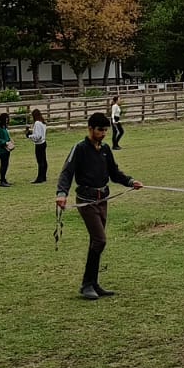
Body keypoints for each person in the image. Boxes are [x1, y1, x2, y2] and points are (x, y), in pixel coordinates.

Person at [56, 112, 144, 301]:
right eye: (100, 130)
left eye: (105, 130)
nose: (103, 133)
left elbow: (114, 172)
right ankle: (87, 283)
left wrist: (130, 181)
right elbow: (67, 172)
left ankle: (93, 283)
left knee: (96, 241)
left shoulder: (105, 149)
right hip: (86, 201)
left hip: (102, 200)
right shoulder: (79, 149)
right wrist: (61, 194)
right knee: (100, 240)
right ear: (90, 129)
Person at [0, 112, 15, 187]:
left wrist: (10, 142)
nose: (7, 122)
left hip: (6, 149)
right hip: (1, 149)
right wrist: (5, 142)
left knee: (5, 164)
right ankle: (2, 180)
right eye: (6, 120)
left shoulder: (4, 128)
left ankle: (3, 179)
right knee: (4, 164)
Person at [27, 108, 48, 183]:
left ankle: (40, 177)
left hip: (39, 144)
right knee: (44, 160)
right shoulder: (42, 123)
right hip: (43, 142)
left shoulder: (37, 123)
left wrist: (30, 136)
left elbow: (38, 136)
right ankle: (44, 176)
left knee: (40, 161)